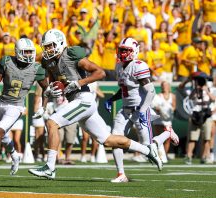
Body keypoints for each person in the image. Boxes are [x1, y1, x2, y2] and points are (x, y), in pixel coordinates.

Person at [28, 29, 179, 180]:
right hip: (77, 101)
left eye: (51, 46)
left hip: (84, 99)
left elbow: (100, 72)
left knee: (52, 123)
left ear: (61, 43)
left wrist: (79, 83)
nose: (48, 49)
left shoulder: (71, 55)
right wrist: (45, 100)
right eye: (46, 46)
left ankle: (50, 167)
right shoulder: (49, 62)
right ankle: (147, 150)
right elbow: (47, 86)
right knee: (107, 140)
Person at [104, 37, 175, 183]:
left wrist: (143, 110)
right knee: (115, 139)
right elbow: (124, 89)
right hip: (125, 110)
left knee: (148, 147)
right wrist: (112, 99)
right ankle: (120, 174)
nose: (122, 53)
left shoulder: (139, 66)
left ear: (134, 51)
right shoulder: (119, 66)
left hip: (140, 110)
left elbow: (151, 92)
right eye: (121, 50)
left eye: (126, 50)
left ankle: (167, 132)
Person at [0, 38, 48, 178]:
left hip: (17, 106)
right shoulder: (7, 61)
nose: (28, 55)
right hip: (2, 103)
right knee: (3, 136)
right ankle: (14, 155)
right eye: (25, 52)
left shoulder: (37, 68)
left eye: (30, 52)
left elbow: (46, 89)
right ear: (18, 52)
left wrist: (43, 107)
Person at [180, 73, 215, 164]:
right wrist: (195, 89)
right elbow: (190, 97)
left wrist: (206, 91)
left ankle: (204, 156)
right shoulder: (194, 90)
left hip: (206, 116)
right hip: (196, 115)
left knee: (206, 138)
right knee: (192, 138)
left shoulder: (210, 89)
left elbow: (213, 99)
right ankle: (189, 156)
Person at [152, 81, 176, 163]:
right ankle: (159, 156)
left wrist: (168, 112)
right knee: (159, 139)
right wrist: (161, 110)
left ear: (169, 87)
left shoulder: (173, 96)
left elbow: (174, 107)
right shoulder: (158, 96)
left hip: (168, 121)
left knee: (167, 139)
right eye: (163, 85)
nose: (164, 87)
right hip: (158, 120)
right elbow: (155, 106)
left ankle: (164, 155)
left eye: (166, 85)